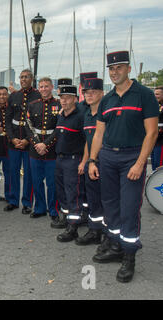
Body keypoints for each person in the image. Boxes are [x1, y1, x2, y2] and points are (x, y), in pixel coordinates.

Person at [89, 50, 159, 283]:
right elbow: (99, 133)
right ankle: (116, 246)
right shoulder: (107, 99)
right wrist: (92, 160)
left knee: (129, 207)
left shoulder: (144, 95)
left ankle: (129, 257)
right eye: (111, 68)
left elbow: (152, 132)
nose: (114, 71)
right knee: (110, 205)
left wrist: (140, 163)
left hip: (132, 158)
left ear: (129, 69)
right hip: (107, 157)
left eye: (119, 67)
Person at [24, 77, 61, 222]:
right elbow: (28, 126)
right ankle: (39, 208)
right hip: (35, 149)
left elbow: (59, 128)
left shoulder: (58, 105)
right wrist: (36, 144)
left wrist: (46, 144)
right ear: (38, 88)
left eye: (46, 86)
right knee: (37, 181)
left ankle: (53, 210)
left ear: (52, 87)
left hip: (51, 150)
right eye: (41, 86)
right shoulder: (32, 105)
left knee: (52, 183)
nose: (44, 89)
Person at [53, 85, 86, 242]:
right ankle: (65, 217)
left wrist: (84, 161)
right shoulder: (62, 115)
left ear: (75, 99)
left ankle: (73, 227)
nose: (63, 101)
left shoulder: (81, 116)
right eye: (61, 98)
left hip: (73, 160)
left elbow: (88, 141)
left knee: (73, 193)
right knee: (62, 192)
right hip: (60, 159)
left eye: (67, 98)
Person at [75, 78, 105, 246]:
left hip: (105, 163)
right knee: (93, 199)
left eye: (94, 92)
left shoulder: (106, 113)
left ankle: (108, 234)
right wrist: (85, 161)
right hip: (91, 163)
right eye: (87, 92)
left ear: (102, 93)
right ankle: (94, 230)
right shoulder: (87, 114)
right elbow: (89, 140)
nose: (90, 95)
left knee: (107, 200)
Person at [5, 69, 39, 213]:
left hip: (28, 142)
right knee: (13, 172)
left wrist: (27, 140)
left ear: (31, 79)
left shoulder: (37, 96)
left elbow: (37, 122)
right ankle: (13, 200)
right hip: (14, 141)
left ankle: (27, 202)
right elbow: (8, 119)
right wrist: (12, 138)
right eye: (21, 77)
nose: (23, 79)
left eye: (26, 77)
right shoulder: (14, 96)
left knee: (28, 174)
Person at [151, 86, 163, 170]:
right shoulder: (157, 106)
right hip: (154, 142)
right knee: (154, 168)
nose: (155, 96)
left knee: (159, 169)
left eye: (157, 94)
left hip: (161, 143)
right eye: (154, 94)